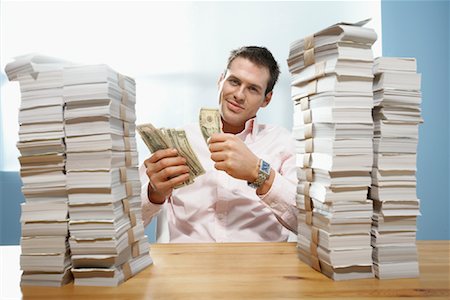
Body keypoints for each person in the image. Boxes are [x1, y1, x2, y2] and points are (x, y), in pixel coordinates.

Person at [140, 46, 297, 242]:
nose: (239, 95)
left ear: (267, 99)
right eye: (234, 81)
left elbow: (307, 222)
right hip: (188, 267)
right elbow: (128, 222)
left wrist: (260, 174)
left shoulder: (283, 142)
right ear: (220, 81)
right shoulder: (176, 142)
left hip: (261, 268)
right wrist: (153, 194)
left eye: (253, 89)